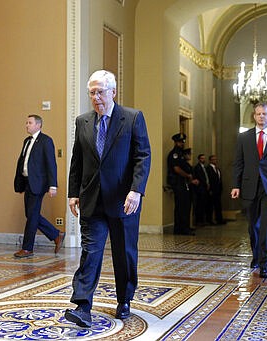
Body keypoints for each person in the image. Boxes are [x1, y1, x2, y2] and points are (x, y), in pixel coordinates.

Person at [65, 70, 151, 328]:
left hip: (124, 200)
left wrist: (136, 190)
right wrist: (72, 193)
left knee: (124, 253)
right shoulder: (83, 122)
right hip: (92, 198)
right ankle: (82, 306)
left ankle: (124, 299)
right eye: (91, 92)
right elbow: (77, 160)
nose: (96, 97)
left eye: (100, 91)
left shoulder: (132, 118)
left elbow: (142, 156)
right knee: (90, 252)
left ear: (113, 91)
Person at [230, 102, 267, 278]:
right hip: (250, 187)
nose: (261, 116)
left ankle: (265, 264)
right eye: (258, 114)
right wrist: (236, 185)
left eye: (264, 114)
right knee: (252, 227)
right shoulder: (244, 137)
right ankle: (256, 255)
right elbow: (238, 163)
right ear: (254, 116)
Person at [13, 114, 65, 258]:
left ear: (38, 125)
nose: (27, 125)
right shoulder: (27, 141)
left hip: (38, 184)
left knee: (32, 216)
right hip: (27, 183)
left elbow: (51, 164)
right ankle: (56, 235)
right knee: (31, 215)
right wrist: (20, 184)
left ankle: (27, 248)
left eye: (29, 123)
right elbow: (23, 162)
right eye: (26, 123)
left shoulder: (46, 141)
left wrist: (53, 185)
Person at [167, 134, 196, 235]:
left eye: (183, 141)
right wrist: (187, 175)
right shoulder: (175, 154)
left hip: (183, 183)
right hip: (178, 183)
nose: (182, 143)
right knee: (181, 206)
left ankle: (185, 227)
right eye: (180, 142)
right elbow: (176, 169)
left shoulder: (181, 154)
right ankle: (180, 228)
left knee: (186, 206)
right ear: (176, 142)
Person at [206, 154, 226, 225]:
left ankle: (219, 219)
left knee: (218, 205)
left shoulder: (217, 169)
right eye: (213, 159)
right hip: (212, 190)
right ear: (210, 160)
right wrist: (210, 190)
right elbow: (209, 180)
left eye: (215, 159)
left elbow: (219, 180)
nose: (215, 160)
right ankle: (209, 220)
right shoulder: (208, 168)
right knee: (210, 206)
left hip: (218, 190)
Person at [193, 154, 212, 225]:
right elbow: (200, 178)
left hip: (205, 188)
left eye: (204, 158)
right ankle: (199, 220)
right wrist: (205, 184)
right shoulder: (197, 167)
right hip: (200, 189)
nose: (203, 160)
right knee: (199, 205)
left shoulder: (205, 167)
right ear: (199, 159)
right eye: (202, 158)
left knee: (204, 205)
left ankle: (203, 220)